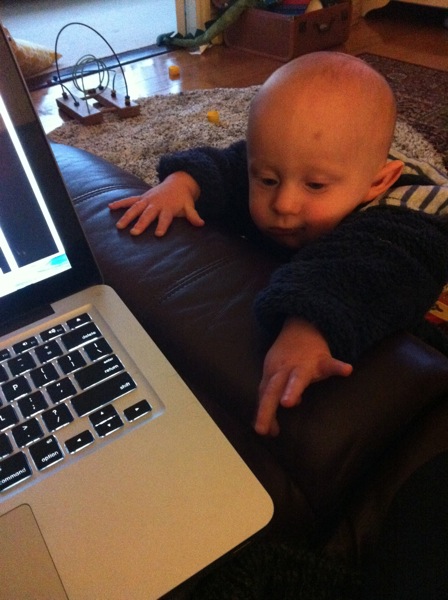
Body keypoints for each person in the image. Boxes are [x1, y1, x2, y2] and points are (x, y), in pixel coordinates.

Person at [109, 51, 448, 437]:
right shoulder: (284, 169)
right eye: (268, 180)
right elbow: (230, 164)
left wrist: (309, 325)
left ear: (377, 182)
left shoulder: (402, 220)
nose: (283, 203)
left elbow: (369, 267)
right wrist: (184, 183)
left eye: (315, 185)